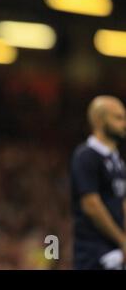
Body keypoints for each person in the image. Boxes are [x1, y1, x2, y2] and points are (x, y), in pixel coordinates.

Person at [71, 95, 126, 269]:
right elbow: (91, 205)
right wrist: (121, 239)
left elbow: (122, 203)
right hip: (94, 253)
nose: (124, 123)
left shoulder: (118, 161)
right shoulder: (86, 156)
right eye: (118, 118)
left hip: (116, 250)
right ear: (99, 120)